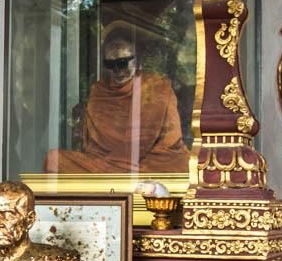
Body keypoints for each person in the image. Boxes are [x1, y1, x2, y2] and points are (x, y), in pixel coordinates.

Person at [44, 32, 190, 174]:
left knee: (179, 165)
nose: (117, 70)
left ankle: (114, 177)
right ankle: (114, 176)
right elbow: (93, 147)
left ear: (137, 60)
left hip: (151, 160)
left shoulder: (154, 86)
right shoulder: (99, 91)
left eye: (122, 63)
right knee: (54, 159)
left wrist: (115, 165)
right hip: (106, 164)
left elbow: (143, 139)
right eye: (110, 64)